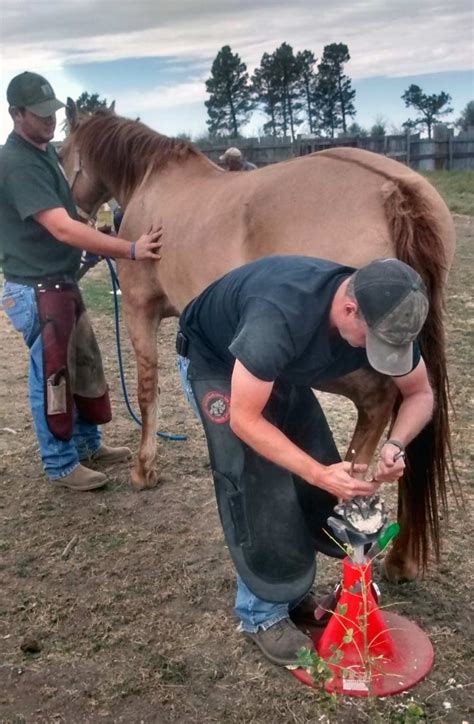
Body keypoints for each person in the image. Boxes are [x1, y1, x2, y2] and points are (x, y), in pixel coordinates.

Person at [176, 255, 433, 666]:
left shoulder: (389, 308)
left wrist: (396, 444)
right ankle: (261, 615)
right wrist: (318, 473)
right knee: (259, 485)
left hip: (277, 368)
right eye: (373, 343)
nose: (378, 355)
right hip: (217, 364)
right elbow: (244, 419)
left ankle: (291, 592)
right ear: (349, 310)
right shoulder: (279, 314)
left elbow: (420, 394)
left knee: (308, 471)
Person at [0, 71, 162, 492]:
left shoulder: (41, 156)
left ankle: (88, 444)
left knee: (84, 366)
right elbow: (63, 228)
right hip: (35, 287)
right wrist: (128, 249)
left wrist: (103, 237)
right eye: (39, 114)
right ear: (16, 114)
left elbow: (74, 217)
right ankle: (59, 463)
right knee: (53, 375)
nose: (50, 120)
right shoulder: (17, 164)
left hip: (58, 281)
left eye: (52, 112)